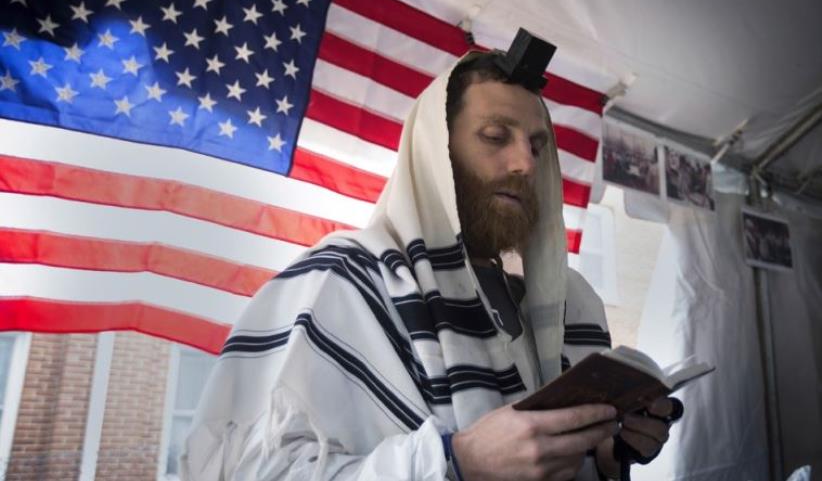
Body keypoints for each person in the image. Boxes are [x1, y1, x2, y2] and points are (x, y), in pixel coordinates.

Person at [181, 49, 676, 480]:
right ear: (435, 156)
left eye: (537, 145)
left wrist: (608, 455)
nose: (526, 163)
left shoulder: (570, 304)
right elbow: (244, 468)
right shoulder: (347, 278)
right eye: (495, 136)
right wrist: (454, 462)